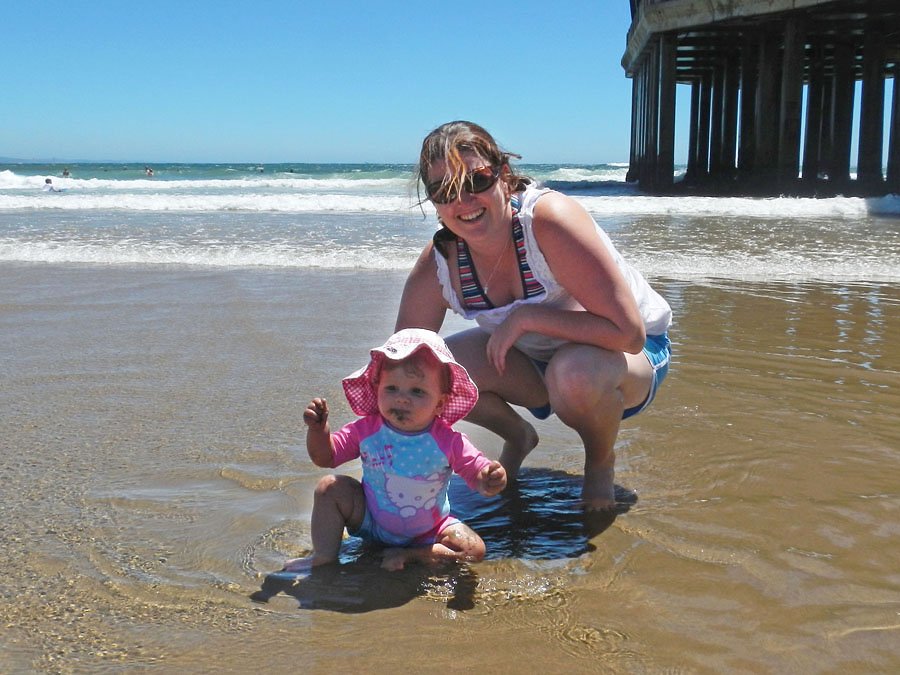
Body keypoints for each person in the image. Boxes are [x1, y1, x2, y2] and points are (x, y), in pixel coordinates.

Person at [396, 121, 672, 511]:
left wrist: (529, 317)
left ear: (504, 177)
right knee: (427, 370)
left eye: (476, 181)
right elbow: (399, 365)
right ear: (435, 203)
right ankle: (518, 435)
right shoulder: (441, 262)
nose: (464, 201)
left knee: (572, 373)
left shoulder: (547, 222)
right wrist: (386, 478)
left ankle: (599, 463)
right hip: (532, 361)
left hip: (627, 356)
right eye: (446, 191)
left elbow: (629, 334)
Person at [283, 328, 507, 573]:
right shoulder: (367, 429)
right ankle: (323, 558)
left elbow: (477, 472)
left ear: (440, 403)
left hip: (430, 531)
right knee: (329, 488)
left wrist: (489, 477)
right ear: (377, 388)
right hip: (371, 521)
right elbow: (325, 457)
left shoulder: (448, 441)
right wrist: (318, 431)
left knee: (474, 549)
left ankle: (413, 555)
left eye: (417, 391)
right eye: (392, 388)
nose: (402, 399)